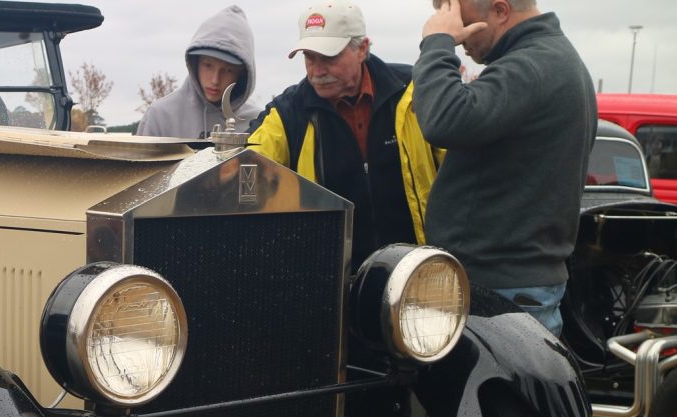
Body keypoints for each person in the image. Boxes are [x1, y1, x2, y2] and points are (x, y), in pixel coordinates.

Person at [412, 0, 596, 335]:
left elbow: (444, 119)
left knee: (486, 389)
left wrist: (437, 42)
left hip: (498, 289)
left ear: (500, 11)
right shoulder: (553, 60)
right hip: (520, 283)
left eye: (464, 24)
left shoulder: (532, 65)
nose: (461, 37)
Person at [249, 1, 441, 259]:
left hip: (422, 272)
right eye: (309, 57)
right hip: (327, 279)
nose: (317, 71)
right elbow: (247, 169)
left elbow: (466, 171)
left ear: (362, 48)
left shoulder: (417, 92)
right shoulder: (286, 113)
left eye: (328, 57)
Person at [137, 5, 261, 140]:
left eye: (228, 70)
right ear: (195, 63)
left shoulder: (257, 122)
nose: (215, 80)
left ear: (242, 73)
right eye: (208, 65)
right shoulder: (160, 116)